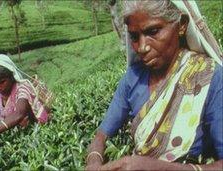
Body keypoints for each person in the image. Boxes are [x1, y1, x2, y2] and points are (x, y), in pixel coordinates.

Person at [86, 0, 222, 170]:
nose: (142, 47)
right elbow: (102, 134)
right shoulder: (133, 78)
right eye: (135, 37)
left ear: (181, 25)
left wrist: (155, 167)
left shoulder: (210, 78)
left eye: (153, 32)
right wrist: (94, 160)